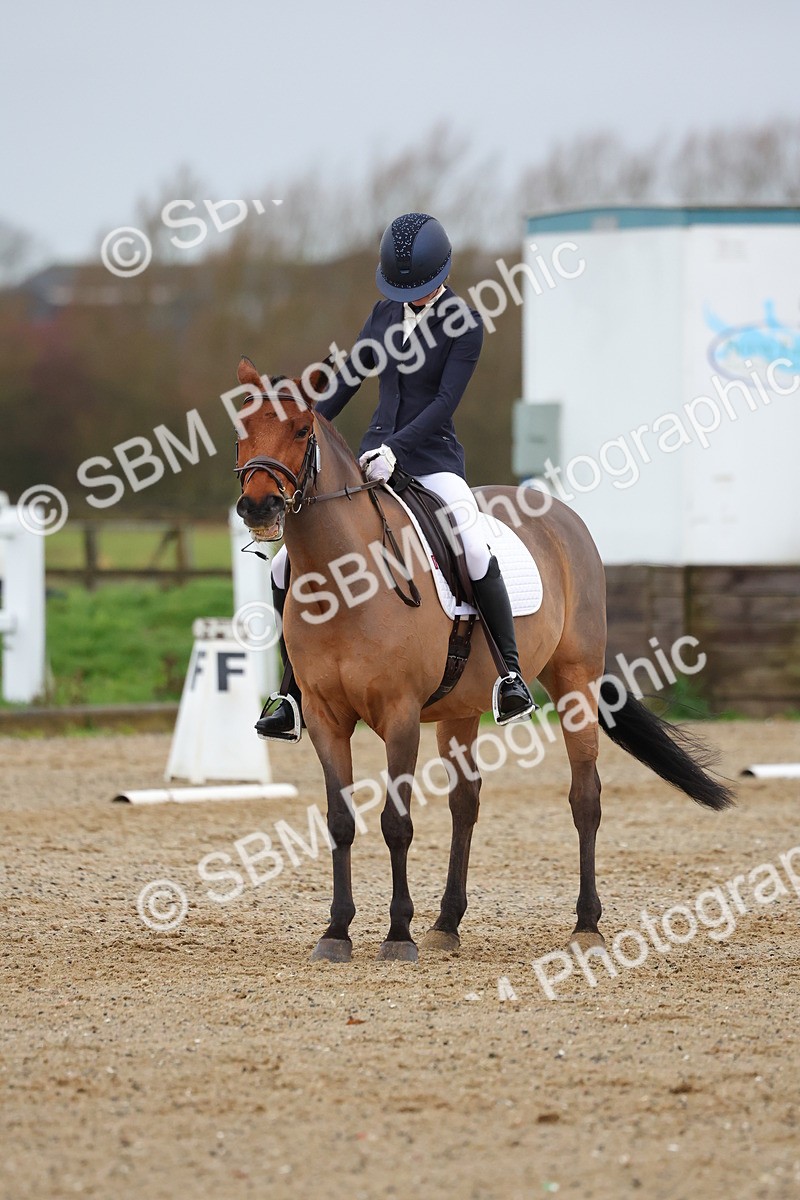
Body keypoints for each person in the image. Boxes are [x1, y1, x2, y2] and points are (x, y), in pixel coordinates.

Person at [257, 212, 535, 741]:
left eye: (419, 290)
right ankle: (291, 691)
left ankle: (511, 675)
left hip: (431, 462)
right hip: (369, 465)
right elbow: (349, 380)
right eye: (402, 291)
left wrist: (397, 448)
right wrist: (305, 425)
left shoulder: (465, 323)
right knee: (280, 567)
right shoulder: (384, 314)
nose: (410, 299)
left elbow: (445, 402)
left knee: (474, 547)